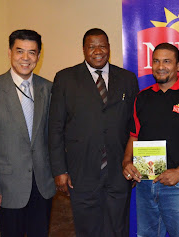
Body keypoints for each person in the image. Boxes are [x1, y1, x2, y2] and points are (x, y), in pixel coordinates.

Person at [49, 28, 139, 237]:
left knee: (118, 228)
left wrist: (138, 164)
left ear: (109, 48)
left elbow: (135, 126)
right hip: (81, 172)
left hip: (119, 171)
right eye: (92, 46)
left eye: (102, 45)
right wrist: (59, 170)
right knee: (88, 229)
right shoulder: (65, 79)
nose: (98, 51)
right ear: (83, 50)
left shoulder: (127, 78)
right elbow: (55, 127)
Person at [122, 43, 179, 237]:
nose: (160, 66)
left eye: (167, 61)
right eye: (156, 61)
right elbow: (134, 135)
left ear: (178, 66)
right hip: (145, 181)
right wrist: (126, 161)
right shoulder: (142, 98)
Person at [0, 29, 55, 237]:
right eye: (20, 51)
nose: (25, 58)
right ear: (9, 53)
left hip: (42, 185)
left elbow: (53, 136)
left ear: (39, 55)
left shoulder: (49, 89)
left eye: (32, 52)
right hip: (8, 187)